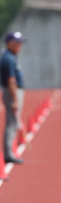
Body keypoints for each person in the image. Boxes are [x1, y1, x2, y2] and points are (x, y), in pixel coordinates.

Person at [0, 31, 26, 164]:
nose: (20, 45)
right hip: (12, 92)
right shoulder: (8, 58)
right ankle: (8, 154)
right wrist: (15, 99)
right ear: (10, 44)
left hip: (13, 92)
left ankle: (10, 151)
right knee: (11, 123)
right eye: (18, 43)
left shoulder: (11, 56)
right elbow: (11, 80)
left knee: (13, 123)